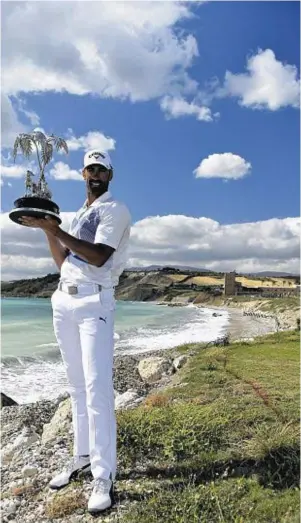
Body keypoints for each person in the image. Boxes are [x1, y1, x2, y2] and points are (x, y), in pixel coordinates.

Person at [20, 149, 131, 514]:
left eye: (101, 169)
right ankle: (81, 457)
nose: (95, 174)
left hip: (94, 303)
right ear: (82, 173)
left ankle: (104, 474)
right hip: (63, 301)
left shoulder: (114, 210)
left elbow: (98, 256)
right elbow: (63, 261)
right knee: (76, 388)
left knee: (98, 391)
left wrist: (58, 229)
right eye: (90, 169)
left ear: (109, 175)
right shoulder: (80, 213)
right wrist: (47, 231)